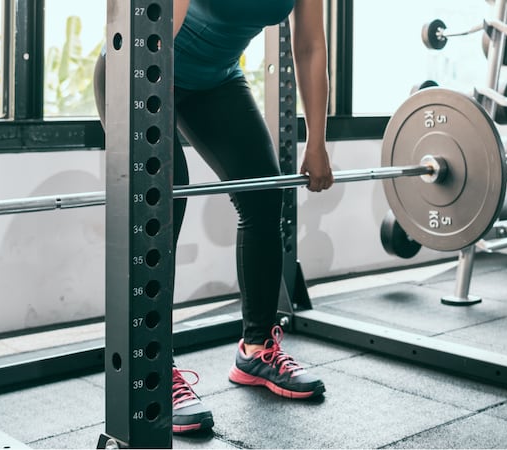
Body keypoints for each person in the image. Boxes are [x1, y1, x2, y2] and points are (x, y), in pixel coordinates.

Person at [93, 0, 334, 434]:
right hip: (140, 66)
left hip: (215, 81)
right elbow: (161, 34)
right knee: (160, 201)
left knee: (264, 197)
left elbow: (311, 46)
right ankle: (151, 373)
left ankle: (256, 351)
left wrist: (316, 141)